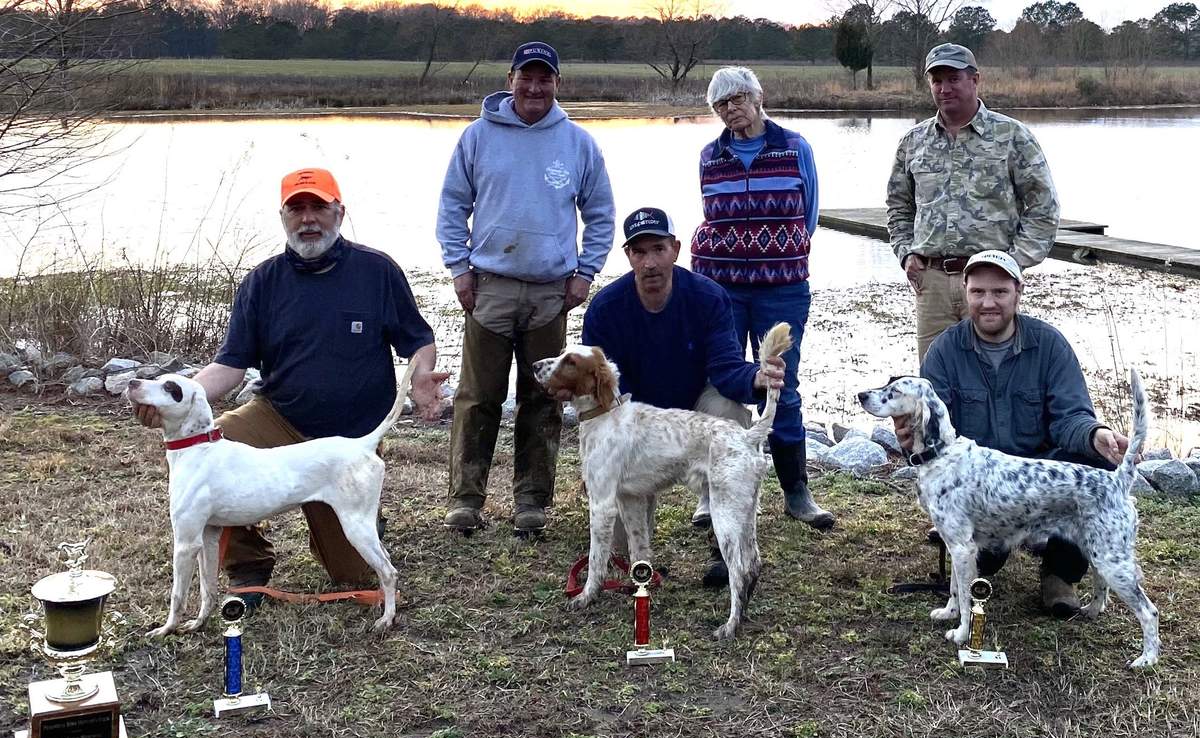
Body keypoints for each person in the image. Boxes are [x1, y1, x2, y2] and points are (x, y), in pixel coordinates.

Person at [133, 166, 447, 597]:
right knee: (211, 448)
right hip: (277, 418)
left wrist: (421, 378)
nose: (308, 219)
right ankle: (249, 565)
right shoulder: (261, 282)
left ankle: (357, 517)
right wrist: (177, 399)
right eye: (296, 208)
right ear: (283, 217)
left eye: (318, 206)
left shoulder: (377, 271)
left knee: (352, 575)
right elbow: (230, 366)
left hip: (348, 440)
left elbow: (418, 340)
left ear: (340, 212)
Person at [436, 41, 615, 537]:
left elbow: (600, 213)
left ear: (558, 83)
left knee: (543, 397)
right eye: (526, 77)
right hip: (488, 287)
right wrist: (458, 268)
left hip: (549, 294)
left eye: (545, 79)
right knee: (477, 396)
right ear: (510, 78)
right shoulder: (477, 137)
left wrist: (585, 273)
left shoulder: (578, 143)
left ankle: (531, 501)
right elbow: (453, 206)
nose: (535, 88)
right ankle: (466, 499)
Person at [895, 249, 1132, 617]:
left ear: (1018, 292)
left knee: (1088, 458)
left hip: (1037, 475)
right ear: (965, 291)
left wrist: (1095, 434)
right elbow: (934, 432)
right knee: (981, 564)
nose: (988, 302)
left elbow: (1071, 416)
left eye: (1000, 292)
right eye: (978, 293)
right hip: (981, 485)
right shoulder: (944, 350)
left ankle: (1060, 574)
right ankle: (981, 565)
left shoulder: (1050, 345)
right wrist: (909, 434)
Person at [581, 207, 784, 583]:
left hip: (695, 404)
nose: (650, 263)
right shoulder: (605, 309)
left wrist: (757, 377)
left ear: (676, 249)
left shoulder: (709, 297)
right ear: (628, 256)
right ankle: (636, 557)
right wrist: (601, 462)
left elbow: (725, 367)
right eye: (639, 252)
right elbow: (601, 394)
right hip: (636, 422)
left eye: (658, 249)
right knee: (623, 550)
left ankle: (725, 539)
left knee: (730, 412)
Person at [690, 65, 834, 530]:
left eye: (737, 99)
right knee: (721, 386)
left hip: (783, 289)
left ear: (757, 97)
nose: (731, 110)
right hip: (722, 291)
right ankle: (713, 494)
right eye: (720, 104)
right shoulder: (710, 156)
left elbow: (808, 215)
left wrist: (775, 256)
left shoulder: (794, 147)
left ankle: (796, 491)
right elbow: (711, 215)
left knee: (779, 383)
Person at [886, 43, 1060, 363]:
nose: (944, 88)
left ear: (975, 79)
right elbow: (898, 206)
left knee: (995, 377)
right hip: (932, 284)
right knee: (936, 384)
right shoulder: (913, 142)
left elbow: (1043, 208)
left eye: (953, 78)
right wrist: (905, 253)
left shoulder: (1012, 136)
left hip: (990, 283)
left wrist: (1013, 264)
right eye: (937, 81)